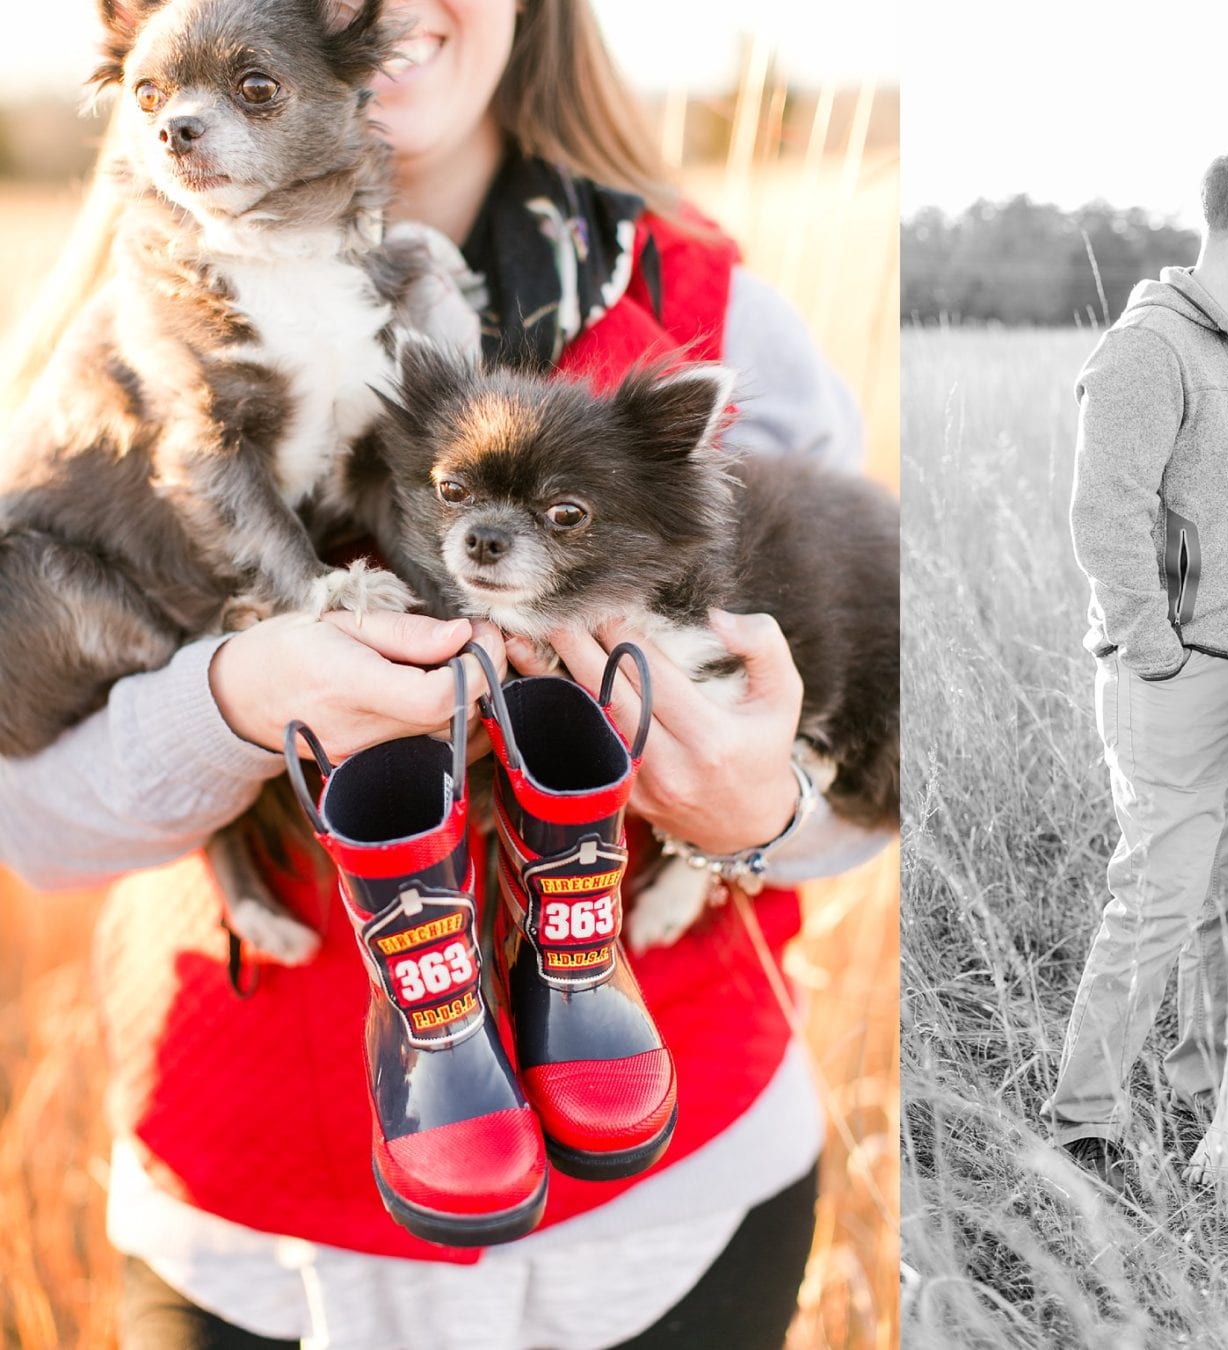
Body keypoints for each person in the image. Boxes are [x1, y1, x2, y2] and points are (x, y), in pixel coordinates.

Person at [0, 0, 889, 1344]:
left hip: (675, 1205)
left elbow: (876, 724)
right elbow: (30, 826)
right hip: (250, 1224)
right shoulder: (129, 347)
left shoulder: (708, 320)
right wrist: (235, 702)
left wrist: (760, 815)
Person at [1041, 145, 1228, 1187]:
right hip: (1180, 676)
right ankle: (1084, 1122)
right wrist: (1154, 647)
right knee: (1156, 896)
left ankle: (1211, 1082)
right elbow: (1104, 512)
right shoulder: (1147, 349)